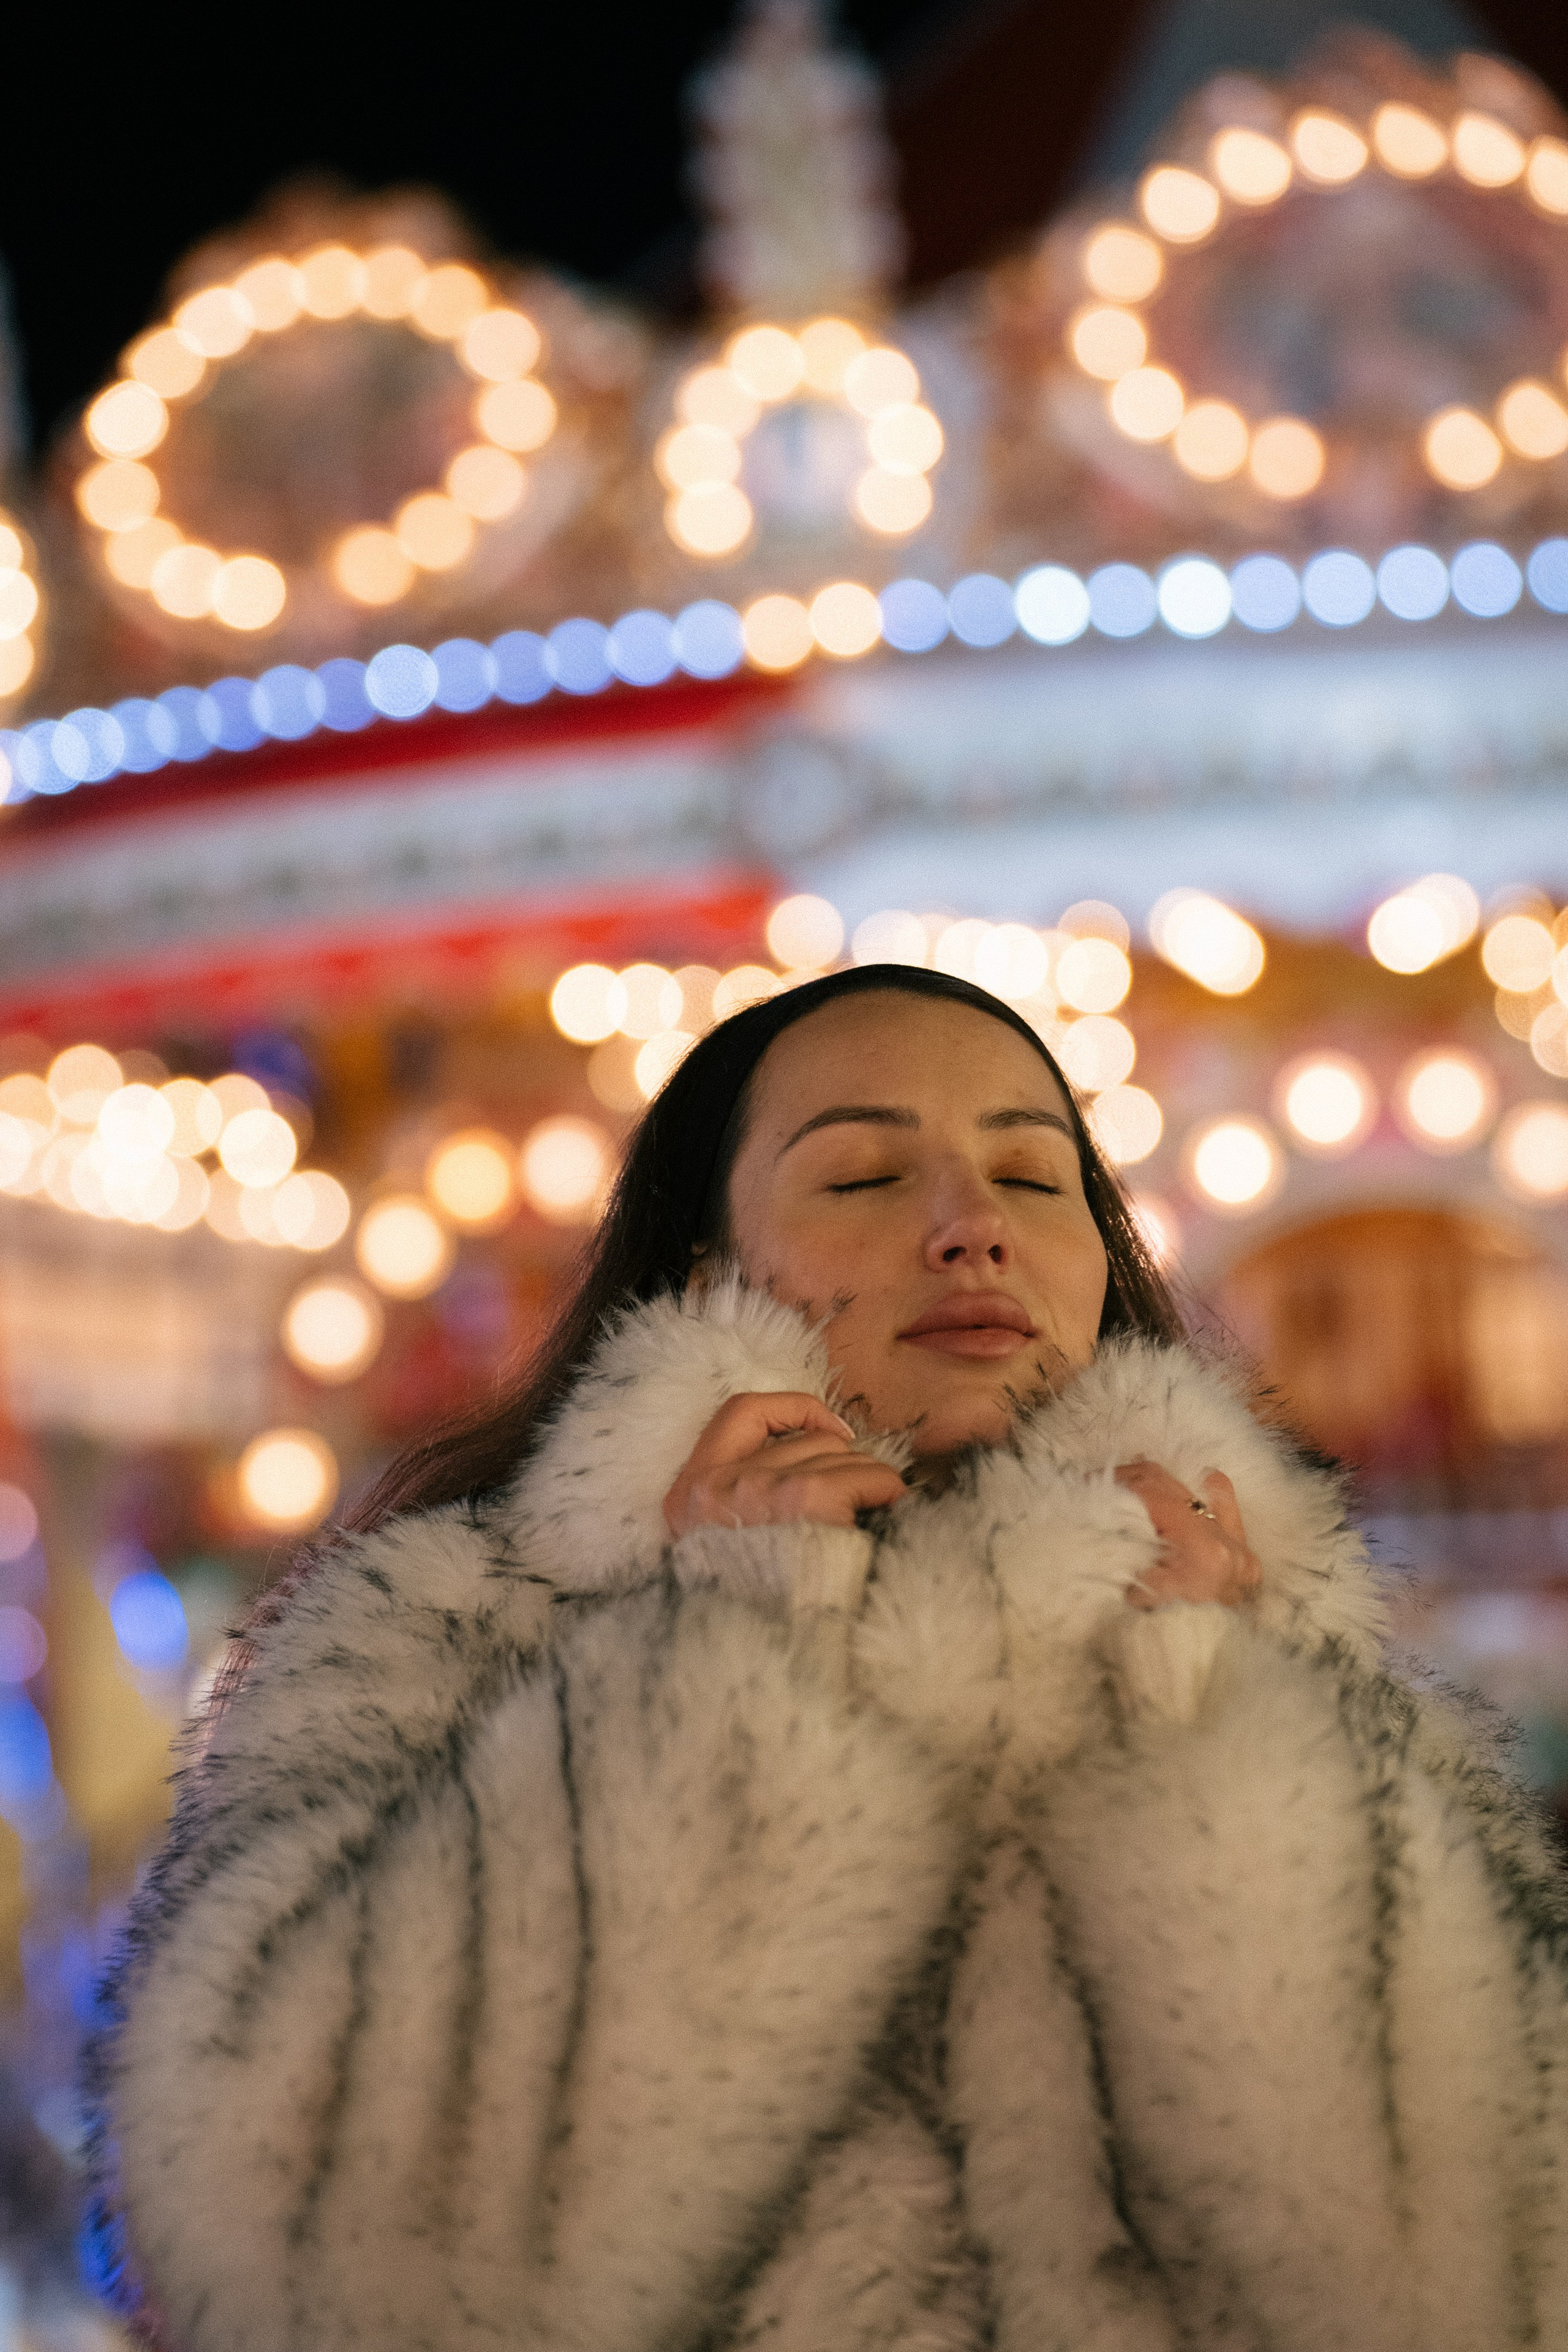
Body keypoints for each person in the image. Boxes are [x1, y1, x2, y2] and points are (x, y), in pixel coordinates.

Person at [88, 965, 1568, 2352]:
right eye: (863, 1176)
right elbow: (298, 2249)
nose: (968, 1225)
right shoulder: (444, 1632)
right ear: (702, 1265)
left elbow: (1472, 2281)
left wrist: (1233, 1745)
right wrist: (705, 1668)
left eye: (1032, 1176)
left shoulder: (1297, 1669)